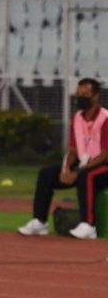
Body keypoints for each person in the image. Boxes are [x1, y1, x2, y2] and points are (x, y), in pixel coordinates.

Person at [18, 78, 108, 239]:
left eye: (85, 94)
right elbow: (72, 150)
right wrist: (65, 168)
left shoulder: (105, 118)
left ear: (95, 96)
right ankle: (39, 221)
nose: (80, 97)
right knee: (46, 174)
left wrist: (78, 171)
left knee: (85, 176)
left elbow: (105, 154)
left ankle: (89, 225)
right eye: (78, 94)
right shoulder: (77, 118)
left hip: (103, 166)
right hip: (83, 164)